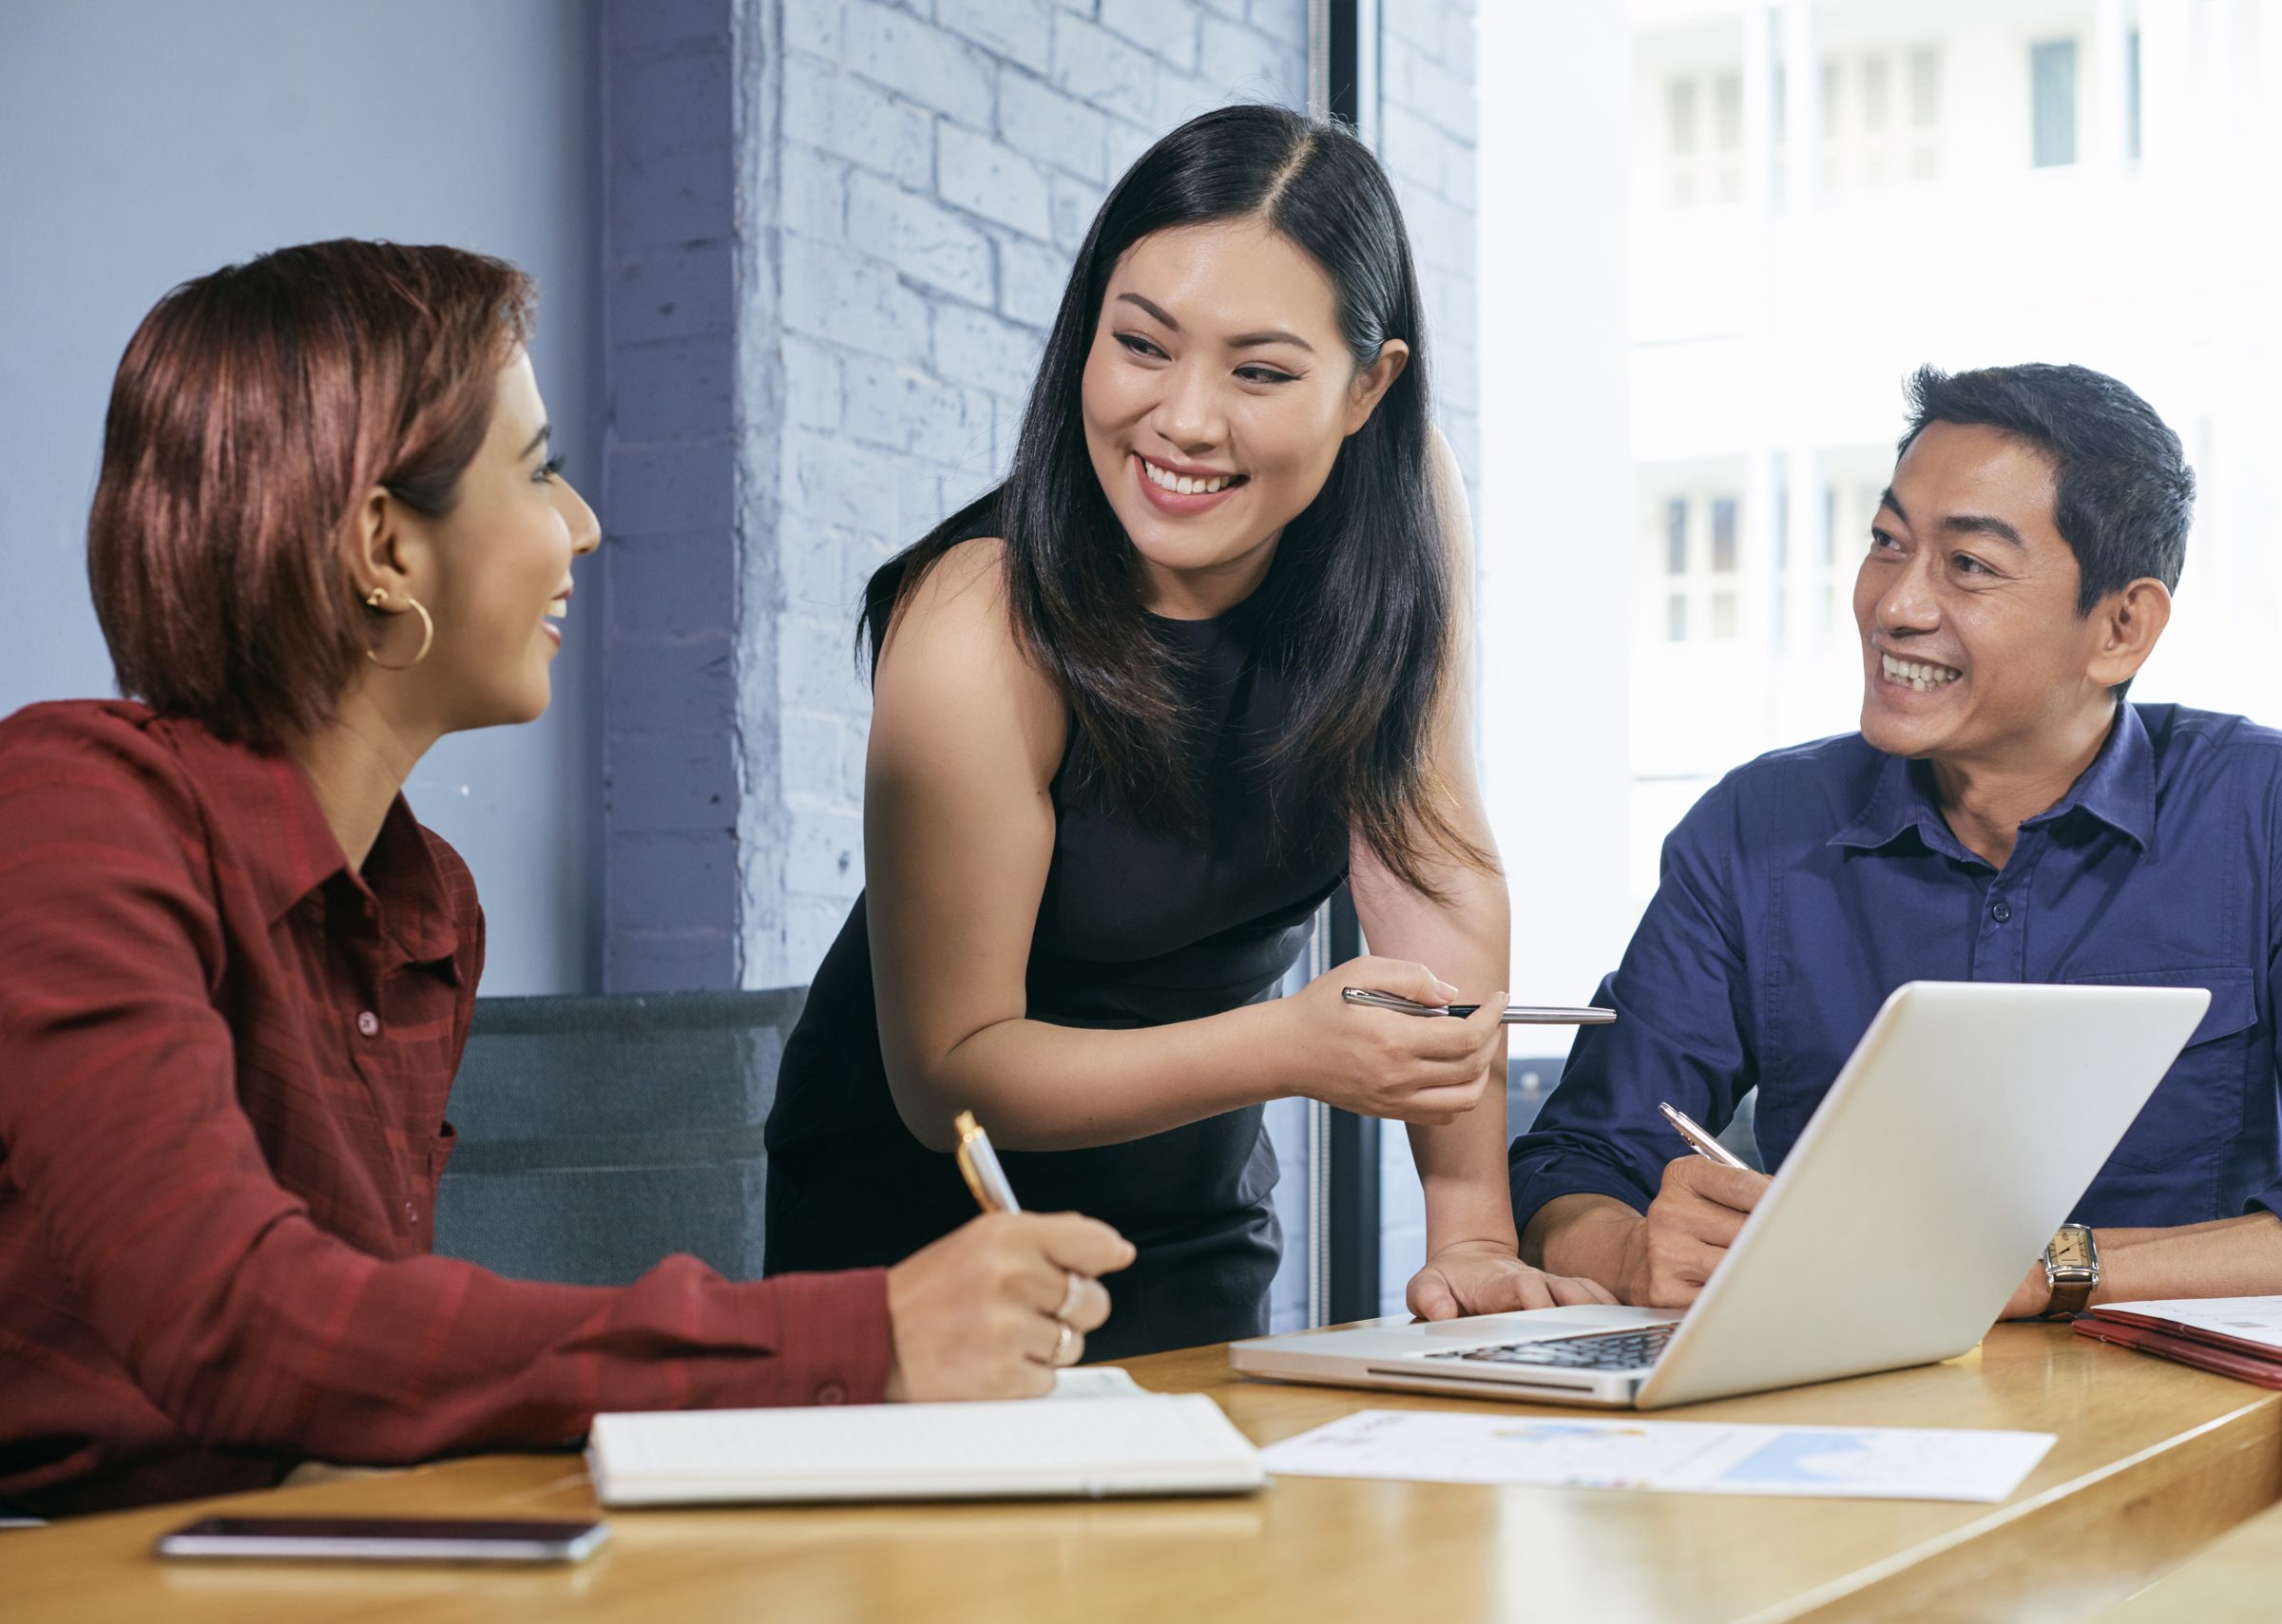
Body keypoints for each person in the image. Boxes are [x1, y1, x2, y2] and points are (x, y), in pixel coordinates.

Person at [0, 240, 1131, 1519]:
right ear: (384, 546)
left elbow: (358, 1379)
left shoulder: (423, 908)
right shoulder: (68, 811)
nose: (584, 523)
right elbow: (239, 1322)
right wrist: (861, 1338)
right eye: (537, 471)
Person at [764, 104, 1609, 1356]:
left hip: (1196, 1211)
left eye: (1261, 371)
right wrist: (1291, 1046)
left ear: (1369, 386)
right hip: (929, 1238)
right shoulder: (976, 621)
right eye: (1143, 346)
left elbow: (1427, 859)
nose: (1185, 422)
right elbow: (949, 1070)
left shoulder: (1400, 512)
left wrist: (1473, 1228)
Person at [1514, 362, 2282, 1317]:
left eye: (1968, 566)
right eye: (1885, 542)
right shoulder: (1755, 828)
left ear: (2121, 626)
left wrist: (2042, 1270)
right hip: (1839, 1408)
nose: (1894, 605)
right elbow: (1575, 1161)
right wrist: (1631, 1251)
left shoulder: (2278, 810)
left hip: (2190, 1421)